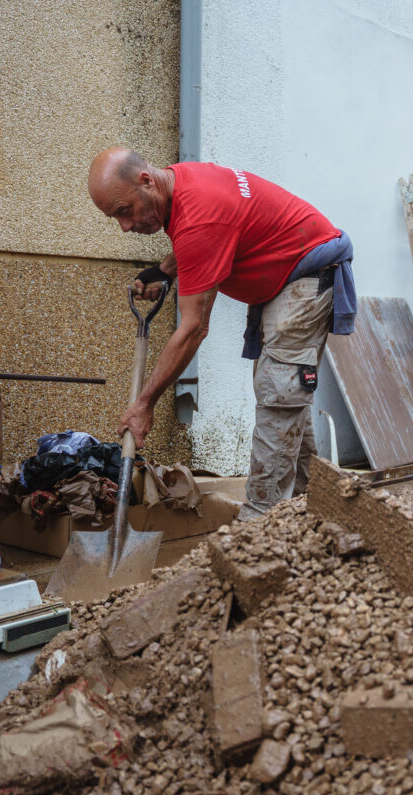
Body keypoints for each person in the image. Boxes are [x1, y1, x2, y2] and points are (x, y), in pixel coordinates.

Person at [86, 148, 355, 520]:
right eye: (114, 217)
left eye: (124, 210)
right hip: (288, 273)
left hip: (307, 272)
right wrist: (166, 270)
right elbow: (209, 236)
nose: (124, 226)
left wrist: (145, 404)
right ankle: (314, 509)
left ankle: (257, 526)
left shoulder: (199, 216)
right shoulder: (180, 182)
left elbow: (194, 328)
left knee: (279, 393)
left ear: (146, 181)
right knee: (286, 395)